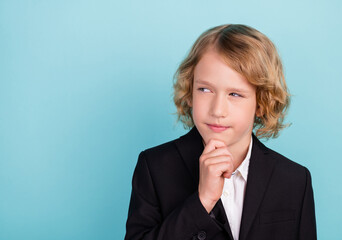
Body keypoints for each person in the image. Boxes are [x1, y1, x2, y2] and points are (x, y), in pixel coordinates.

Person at [125, 24, 316, 240]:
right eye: (205, 89)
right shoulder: (155, 167)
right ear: (189, 93)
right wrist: (202, 201)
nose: (217, 110)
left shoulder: (294, 180)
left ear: (261, 103)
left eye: (235, 94)